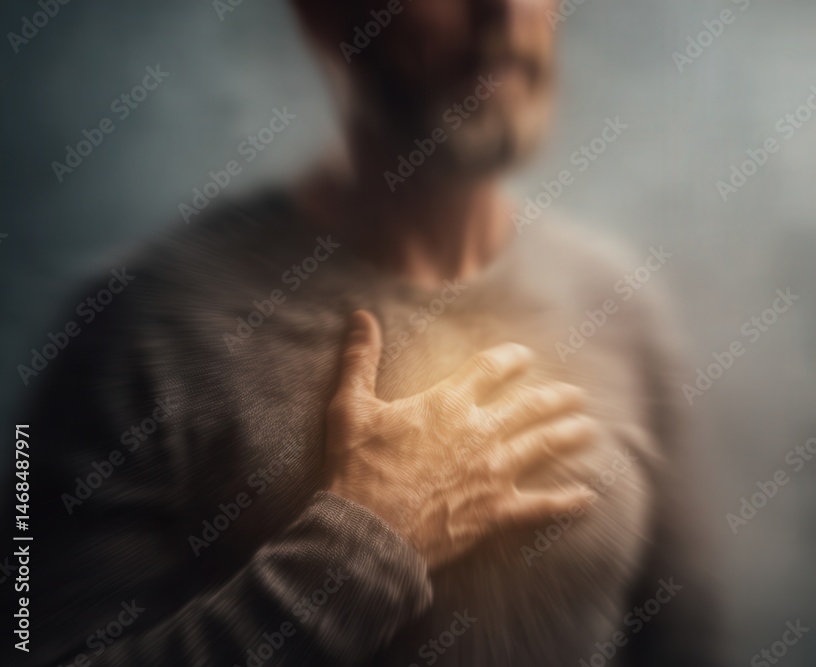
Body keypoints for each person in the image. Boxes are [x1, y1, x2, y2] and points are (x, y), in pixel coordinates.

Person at [19, 0, 719, 665]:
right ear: (322, 14)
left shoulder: (618, 301)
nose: (504, 12)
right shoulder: (142, 331)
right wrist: (364, 546)